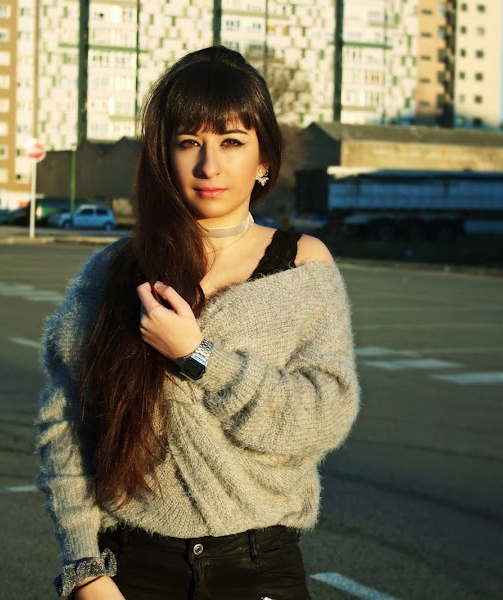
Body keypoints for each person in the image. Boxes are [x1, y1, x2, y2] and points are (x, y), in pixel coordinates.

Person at [37, 45, 360, 600]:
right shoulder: (114, 272)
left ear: (263, 158)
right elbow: (66, 423)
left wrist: (198, 356)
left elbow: (321, 418)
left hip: (260, 568)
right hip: (132, 569)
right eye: (189, 142)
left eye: (232, 142)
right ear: (164, 156)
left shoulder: (302, 265)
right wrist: (84, 567)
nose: (210, 166)